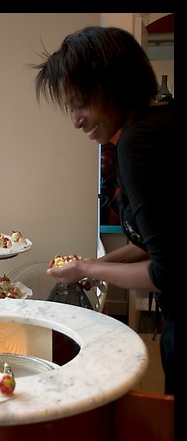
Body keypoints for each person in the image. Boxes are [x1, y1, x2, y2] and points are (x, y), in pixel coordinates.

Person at [33, 26, 174, 395]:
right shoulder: (163, 122)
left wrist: (87, 268)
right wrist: (100, 267)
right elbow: (158, 241)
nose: (76, 120)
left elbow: (166, 270)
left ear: (114, 86)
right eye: (70, 106)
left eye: (81, 103)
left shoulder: (137, 144)